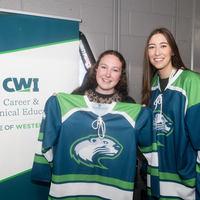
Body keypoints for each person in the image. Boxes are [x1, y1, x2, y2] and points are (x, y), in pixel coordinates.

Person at [31, 50, 159, 200]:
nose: (108, 74)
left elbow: (151, 151)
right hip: (70, 191)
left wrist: (143, 116)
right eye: (104, 67)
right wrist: (56, 104)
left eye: (115, 70)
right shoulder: (71, 101)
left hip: (113, 193)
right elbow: (46, 143)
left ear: (121, 75)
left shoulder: (130, 107)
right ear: (96, 69)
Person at [142, 27, 200, 199]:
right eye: (152, 47)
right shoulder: (152, 83)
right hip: (157, 175)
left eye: (163, 46)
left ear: (173, 50)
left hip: (183, 178)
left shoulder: (191, 80)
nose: (157, 52)